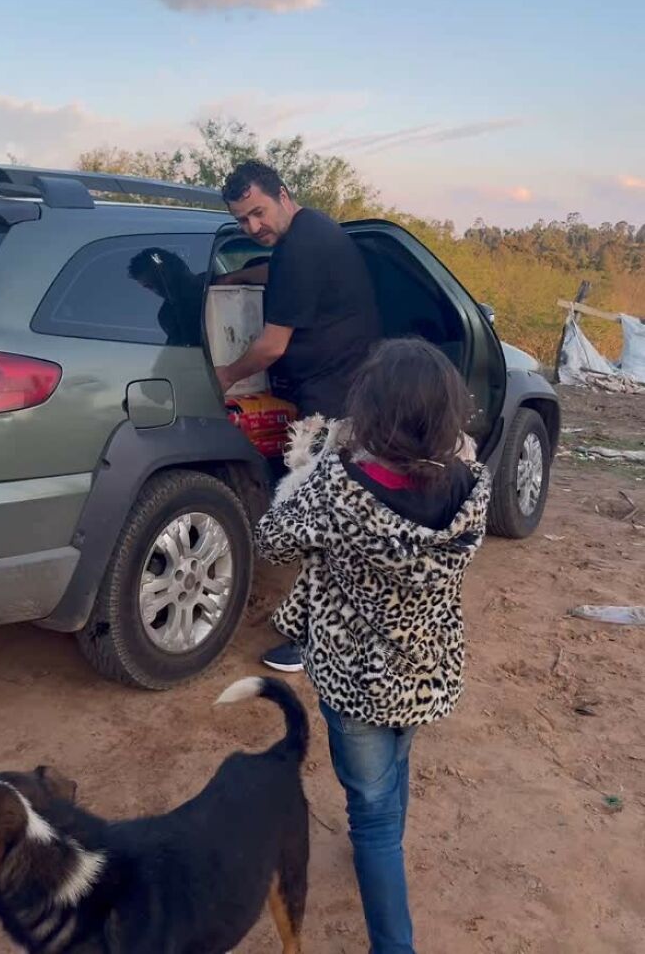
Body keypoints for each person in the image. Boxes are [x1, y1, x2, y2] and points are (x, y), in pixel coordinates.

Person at [254, 339, 492, 954]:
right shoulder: (469, 485)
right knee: (395, 767)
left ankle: (395, 944)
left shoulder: (340, 487)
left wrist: (320, 486)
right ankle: (383, 839)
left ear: (373, 413)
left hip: (356, 680)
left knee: (373, 818)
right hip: (426, 670)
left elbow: (272, 541)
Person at [216, 159, 381, 672]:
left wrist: (223, 376)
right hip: (347, 393)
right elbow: (279, 273)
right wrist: (235, 275)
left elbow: (269, 346)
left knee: (323, 521)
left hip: (336, 405)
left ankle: (318, 640)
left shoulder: (304, 244)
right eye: (242, 221)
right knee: (340, 519)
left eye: (258, 213)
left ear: (284, 194)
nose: (252, 227)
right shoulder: (308, 233)